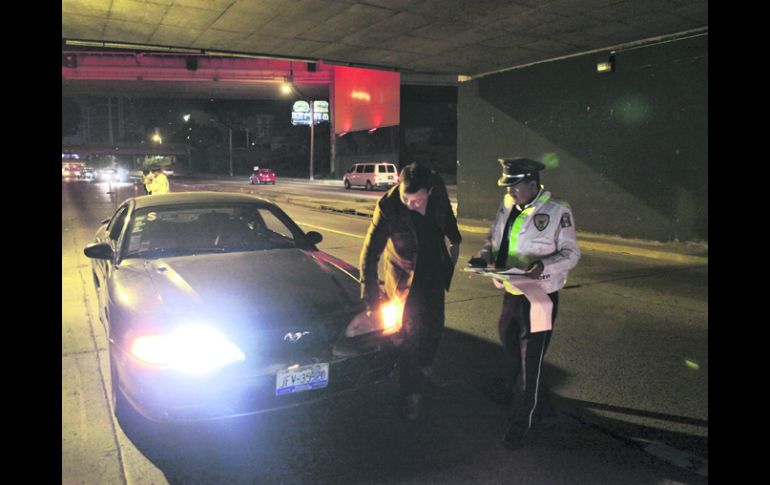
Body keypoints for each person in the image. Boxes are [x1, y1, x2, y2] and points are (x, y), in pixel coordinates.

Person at [468, 157, 580, 449]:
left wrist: (544, 265)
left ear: (532, 183)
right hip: (511, 292)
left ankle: (522, 423)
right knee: (511, 354)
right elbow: (494, 240)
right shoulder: (507, 205)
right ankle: (540, 406)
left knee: (531, 364)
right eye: (507, 186)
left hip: (540, 298)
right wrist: (483, 256)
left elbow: (572, 253)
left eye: (515, 186)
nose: (510, 191)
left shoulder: (557, 211)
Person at [360, 162, 462, 420]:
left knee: (435, 326)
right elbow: (370, 253)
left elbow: (447, 218)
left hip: (433, 272)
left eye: (416, 201)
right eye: (407, 199)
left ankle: (425, 368)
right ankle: (410, 394)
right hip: (404, 279)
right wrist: (371, 299)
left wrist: (455, 238)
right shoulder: (389, 206)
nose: (411, 205)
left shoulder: (437, 192)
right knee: (409, 336)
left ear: (429, 191)